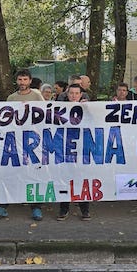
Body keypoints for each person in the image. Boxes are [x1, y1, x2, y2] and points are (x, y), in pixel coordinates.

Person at [0, 69, 46, 221]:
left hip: (33, 141)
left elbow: (45, 113)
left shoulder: (37, 96)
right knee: (10, 173)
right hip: (14, 140)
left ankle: (36, 208)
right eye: (20, 80)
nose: (22, 83)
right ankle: (2, 206)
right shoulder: (11, 97)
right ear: (16, 81)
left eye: (25, 80)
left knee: (34, 174)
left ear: (30, 81)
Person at [56, 74, 91, 221]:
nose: (74, 96)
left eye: (77, 93)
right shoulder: (59, 108)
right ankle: (64, 209)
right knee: (64, 179)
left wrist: (88, 108)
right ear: (67, 94)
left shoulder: (88, 107)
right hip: (65, 149)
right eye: (71, 93)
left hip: (82, 149)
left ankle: (85, 210)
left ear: (81, 94)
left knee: (83, 179)